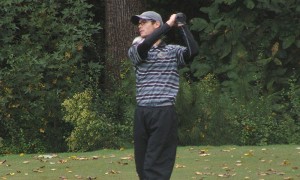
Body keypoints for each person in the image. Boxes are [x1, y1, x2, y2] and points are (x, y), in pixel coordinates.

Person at [128, 11, 199, 180]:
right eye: (139, 23)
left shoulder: (172, 51)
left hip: (164, 112)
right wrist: (169, 25)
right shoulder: (136, 49)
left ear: (156, 25)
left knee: (156, 168)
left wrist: (181, 25)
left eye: (144, 22)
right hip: (142, 113)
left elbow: (192, 51)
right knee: (142, 167)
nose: (140, 25)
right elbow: (146, 46)